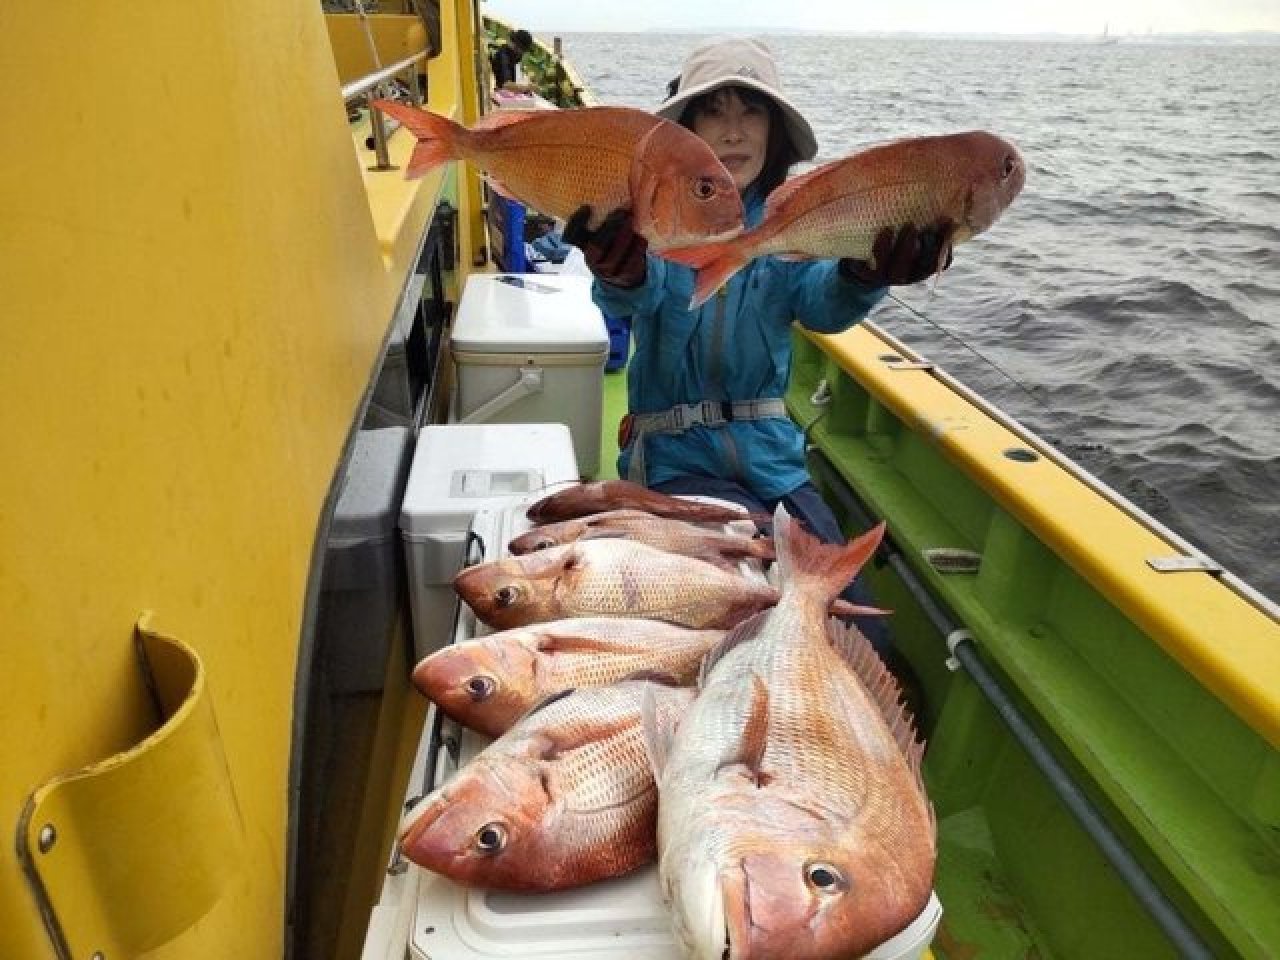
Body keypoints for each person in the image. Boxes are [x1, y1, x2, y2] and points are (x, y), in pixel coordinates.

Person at [563, 37, 953, 654]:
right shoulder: (657, 213)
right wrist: (620, 271)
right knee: (738, 616)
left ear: (775, 132)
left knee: (857, 630)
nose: (734, 132)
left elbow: (822, 302)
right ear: (685, 128)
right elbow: (637, 297)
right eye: (713, 112)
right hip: (674, 464)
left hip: (777, 468)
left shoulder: (789, 216)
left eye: (751, 111)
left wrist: (865, 272)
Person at [489, 28, 534, 94]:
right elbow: (506, 84)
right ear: (517, 47)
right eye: (523, 51)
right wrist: (526, 87)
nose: (522, 54)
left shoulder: (512, 57)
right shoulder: (504, 56)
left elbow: (515, 81)